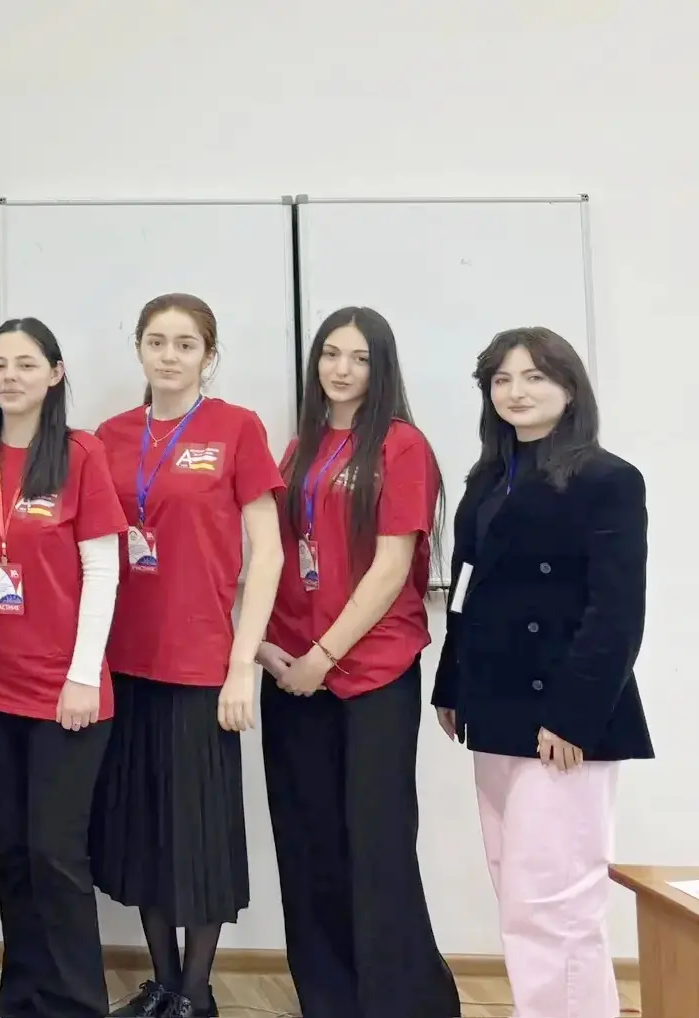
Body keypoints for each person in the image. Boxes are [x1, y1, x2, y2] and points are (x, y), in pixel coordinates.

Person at [430, 327, 650, 1018]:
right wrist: (451, 685)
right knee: (519, 895)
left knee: (557, 903)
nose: (516, 392)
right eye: (501, 379)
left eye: (533, 377)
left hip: (564, 720)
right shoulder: (488, 478)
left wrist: (572, 718)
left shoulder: (608, 479)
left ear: (569, 387)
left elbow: (616, 614)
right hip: (494, 709)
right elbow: (467, 590)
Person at [257, 307, 459, 1018]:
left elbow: (391, 568)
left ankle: (404, 1004)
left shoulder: (401, 446)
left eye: (359, 357)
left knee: (377, 846)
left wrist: (324, 655)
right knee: (308, 843)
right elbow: (275, 555)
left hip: (370, 671)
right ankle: (329, 1001)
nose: (341, 369)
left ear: (382, 368)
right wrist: (265, 646)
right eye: (330, 354)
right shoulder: (298, 449)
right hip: (291, 672)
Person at [91, 295, 285, 1018]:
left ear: (209, 354)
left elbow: (268, 552)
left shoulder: (237, 429)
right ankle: (163, 983)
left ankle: (196, 993)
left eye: (184, 343)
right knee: (143, 831)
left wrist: (242, 667)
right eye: (156, 341)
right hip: (123, 663)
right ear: (139, 349)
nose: (168, 356)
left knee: (199, 837)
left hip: (203, 666)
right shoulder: (109, 437)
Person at [0, 319, 125, 1018]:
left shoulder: (80, 455)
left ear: (55, 374)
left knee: (55, 855)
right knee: (11, 851)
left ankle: (76, 1005)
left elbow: (103, 570)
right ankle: (21, 999)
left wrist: (83, 674)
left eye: (26, 363)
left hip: (65, 690)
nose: (10, 376)